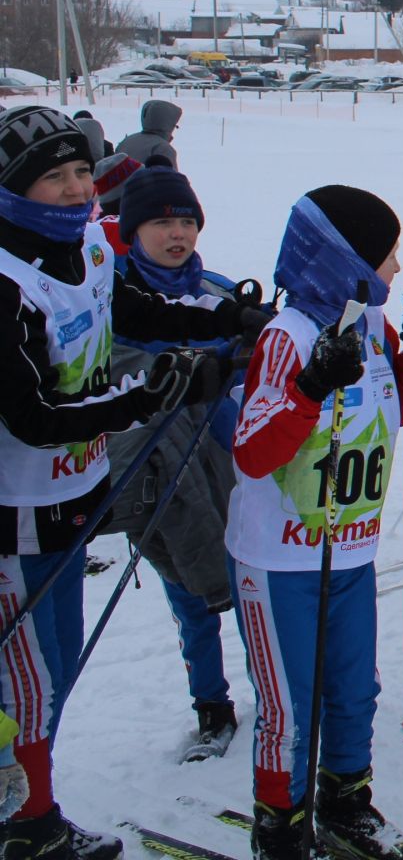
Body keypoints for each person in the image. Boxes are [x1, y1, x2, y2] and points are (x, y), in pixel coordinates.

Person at [0, 107, 249, 860]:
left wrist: (226, 318)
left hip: (71, 497)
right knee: (23, 685)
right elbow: (36, 412)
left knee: (51, 675)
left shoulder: (88, 251)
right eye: (55, 177)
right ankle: (26, 823)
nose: (78, 190)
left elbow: (134, 307)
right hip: (14, 511)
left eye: (82, 172)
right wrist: (152, 394)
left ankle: (31, 814)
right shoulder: (8, 282)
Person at [228, 186, 403, 860]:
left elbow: (397, 407)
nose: (396, 270)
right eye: (387, 257)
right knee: (289, 707)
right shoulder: (288, 336)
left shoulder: (374, 327)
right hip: (280, 560)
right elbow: (253, 450)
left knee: (355, 688)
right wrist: (312, 386)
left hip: (351, 551)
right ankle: (280, 825)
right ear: (347, 260)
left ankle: (346, 796)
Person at [99, 167, 249, 764]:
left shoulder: (218, 293)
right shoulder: (106, 294)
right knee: (188, 590)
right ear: (134, 229)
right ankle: (211, 705)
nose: (176, 232)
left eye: (186, 220)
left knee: (246, 586)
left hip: (226, 459)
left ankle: (273, 687)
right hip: (156, 469)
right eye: (162, 221)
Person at [116, 98, 183, 168]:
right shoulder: (162, 148)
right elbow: (169, 177)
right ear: (168, 124)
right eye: (174, 125)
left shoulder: (126, 142)